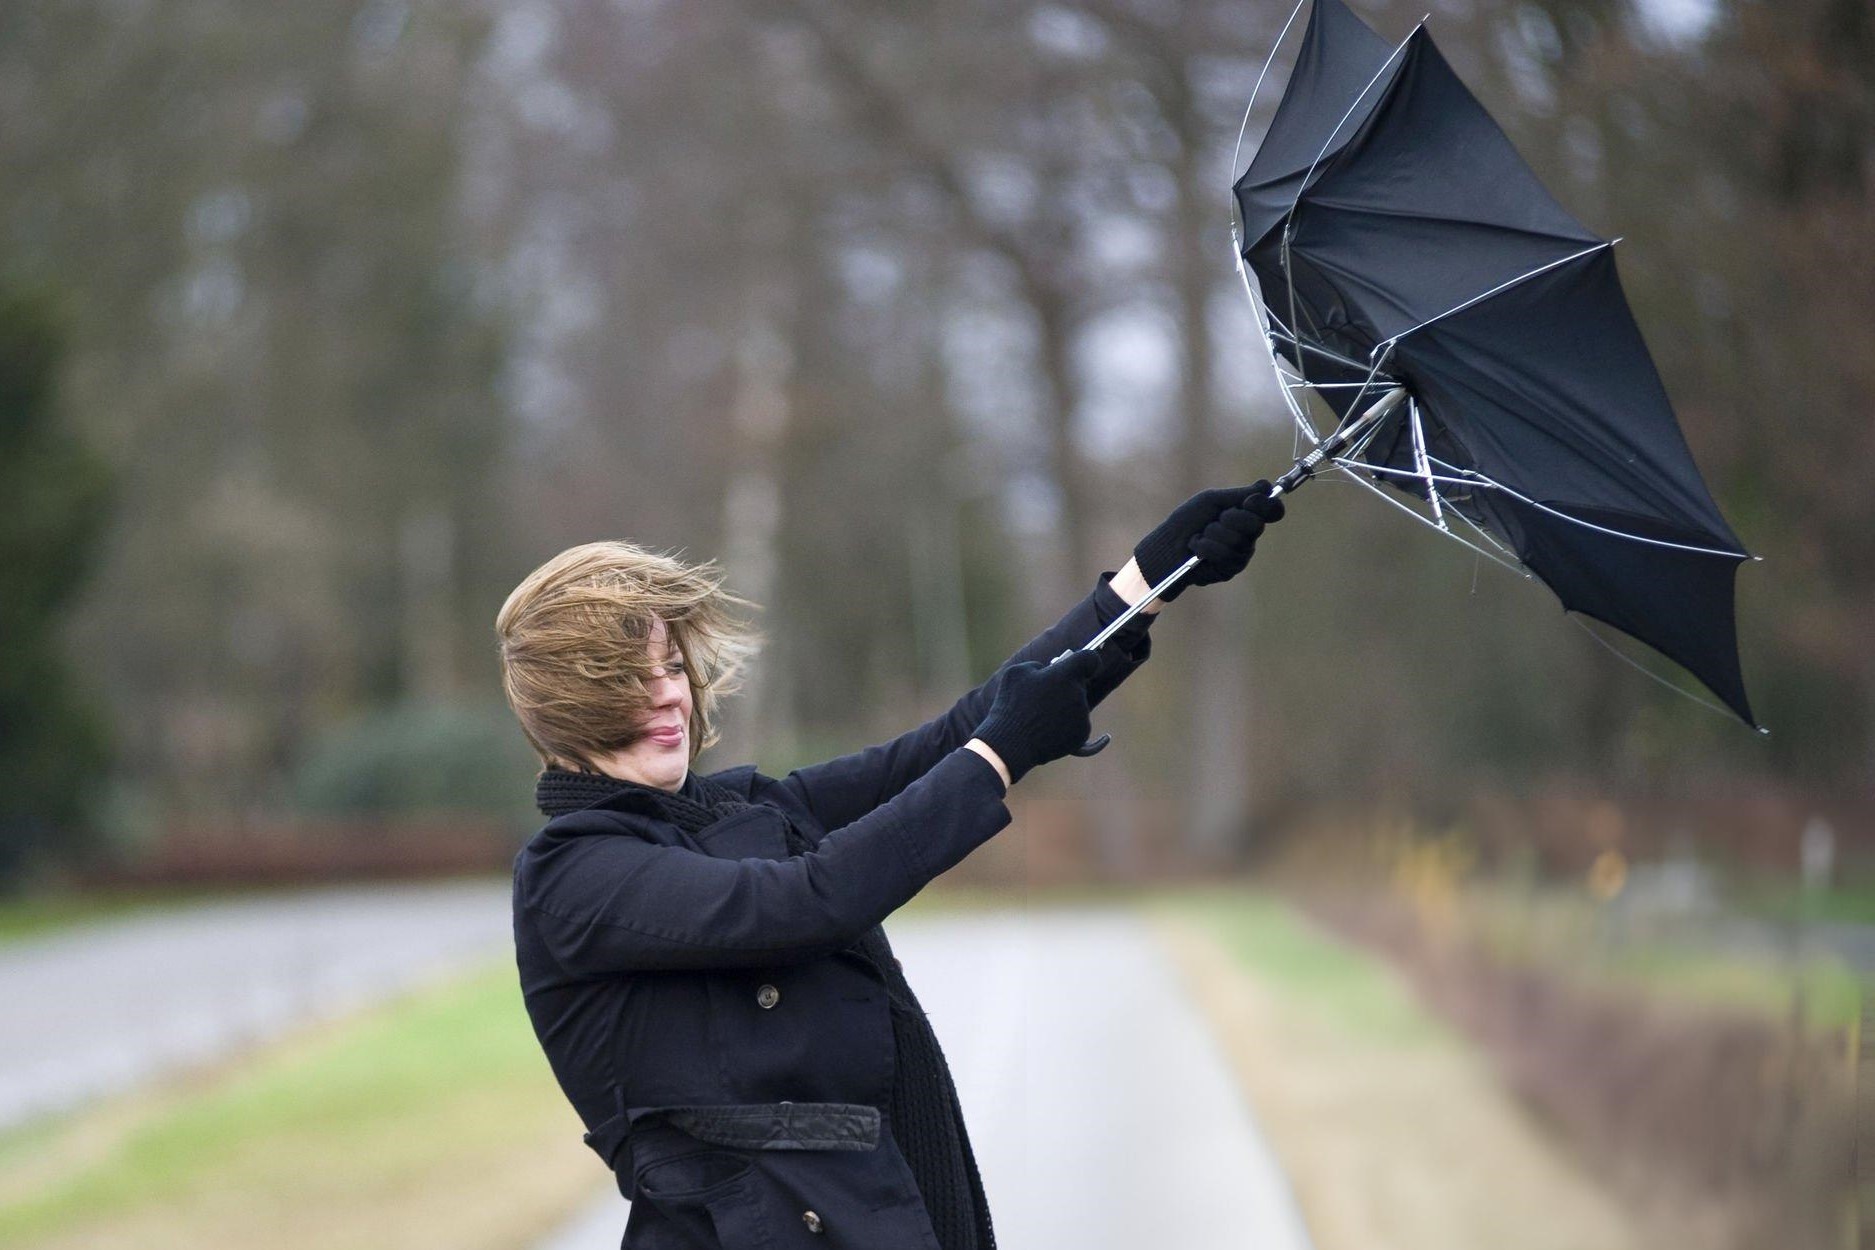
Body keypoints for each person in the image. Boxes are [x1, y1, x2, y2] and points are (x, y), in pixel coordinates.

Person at [497, 483, 1285, 1249]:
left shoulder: (739, 812)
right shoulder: (573, 876)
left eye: (671, 667)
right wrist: (1000, 754)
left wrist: (1141, 587)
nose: (668, 696)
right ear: (568, 706)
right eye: (630, 682)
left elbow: (947, 742)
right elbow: (806, 903)